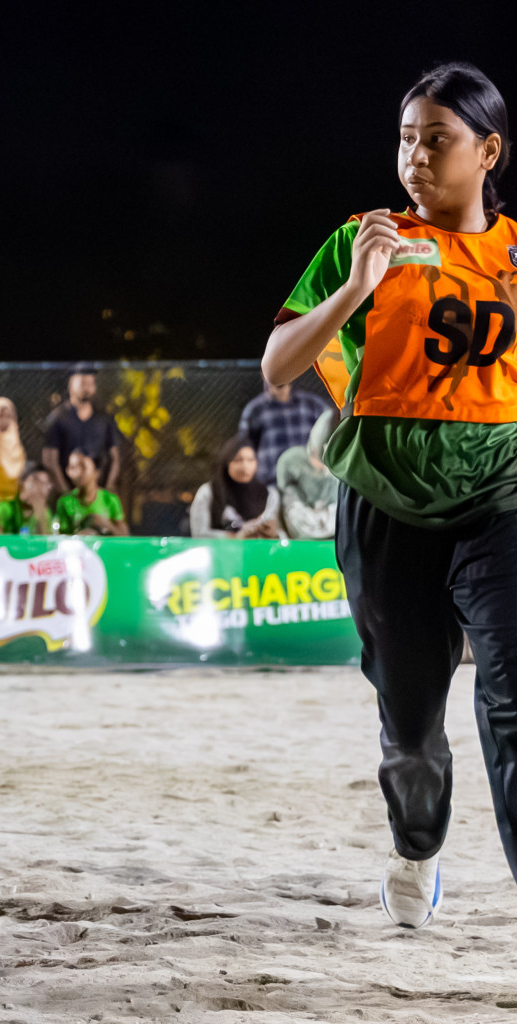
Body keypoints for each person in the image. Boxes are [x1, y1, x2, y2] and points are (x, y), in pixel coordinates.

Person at [262, 62, 517, 928]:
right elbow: (278, 368)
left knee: (514, 701)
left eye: (435, 139)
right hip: (386, 504)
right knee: (411, 727)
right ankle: (418, 849)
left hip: (502, 500)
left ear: (488, 151)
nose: (415, 156)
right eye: (406, 138)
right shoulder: (360, 240)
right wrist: (355, 288)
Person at [42, 363, 122, 493]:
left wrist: (107, 489)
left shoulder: (104, 419)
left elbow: (115, 458)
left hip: (98, 494)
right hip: (67, 494)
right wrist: (66, 494)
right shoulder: (58, 419)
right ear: (71, 384)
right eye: (83, 383)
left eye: (91, 383)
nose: (87, 388)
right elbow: (50, 461)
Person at [236, 376, 331, 486]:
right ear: (263, 374)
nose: (279, 374)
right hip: (271, 485)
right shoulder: (255, 410)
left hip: (310, 483)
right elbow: (245, 448)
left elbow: (330, 434)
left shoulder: (313, 404)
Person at [188, 436, 281, 539]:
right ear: (227, 462)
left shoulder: (269, 494)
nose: (245, 466)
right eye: (238, 460)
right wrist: (235, 537)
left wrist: (271, 533)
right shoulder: (209, 492)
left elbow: (282, 535)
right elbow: (199, 534)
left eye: (250, 460)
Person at [274, 411, 338, 540]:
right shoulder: (292, 460)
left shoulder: (341, 471)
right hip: (300, 534)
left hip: (333, 534)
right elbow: (286, 500)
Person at [55, 449, 128, 536]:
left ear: (97, 472)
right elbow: (62, 538)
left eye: (83, 467)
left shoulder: (110, 500)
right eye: (73, 468)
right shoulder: (65, 502)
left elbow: (124, 537)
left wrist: (106, 524)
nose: (78, 472)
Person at [0, 465, 58, 535]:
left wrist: (42, 520)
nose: (40, 488)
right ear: (22, 482)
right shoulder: (5, 508)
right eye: (36, 481)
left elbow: (49, 543)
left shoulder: (44, 512)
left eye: (46, 484)